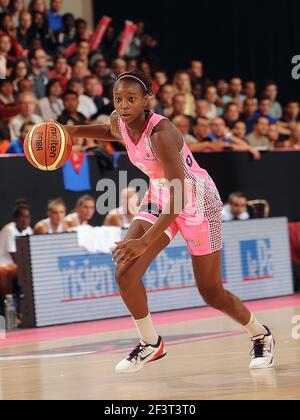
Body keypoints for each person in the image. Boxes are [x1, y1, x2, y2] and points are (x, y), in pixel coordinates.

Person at [61, 70, 274, 373]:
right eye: (118, 99)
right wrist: (67, 131)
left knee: (211, 292)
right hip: (162, 195)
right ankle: (151, 343)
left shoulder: (162, 134)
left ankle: (261, 334)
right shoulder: (120, 121)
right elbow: (112, 131)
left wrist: (146, 240)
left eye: (131, 99)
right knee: (125, 270)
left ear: (146, 100)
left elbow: (181, 195)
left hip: (197, 202)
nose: (123, 105)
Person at [0, 202, 32, 311]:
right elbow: (15, 257)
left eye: (27, 217)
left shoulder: (29, 230)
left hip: (18, 265)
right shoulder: (9, 230)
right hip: (4, 264)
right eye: (22, 217)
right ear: (16, 218)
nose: (25, 220)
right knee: (8, 271)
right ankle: (10, 308)